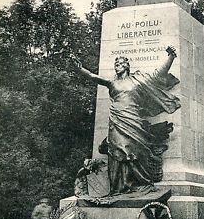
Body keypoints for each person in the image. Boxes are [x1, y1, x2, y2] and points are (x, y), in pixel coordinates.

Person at [70, 47, 180, 196]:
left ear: (126, 66)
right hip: (117, 120)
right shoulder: (111, 82)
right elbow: (92, 77)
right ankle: (117, 188)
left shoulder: (138, 80)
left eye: (120, 64)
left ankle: (140, 182)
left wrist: (171, 57)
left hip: (133, 119)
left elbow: (157, 75)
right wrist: (80, 69)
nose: (117, 66)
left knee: (135, 150)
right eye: (115, 65)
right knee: (116, 151)